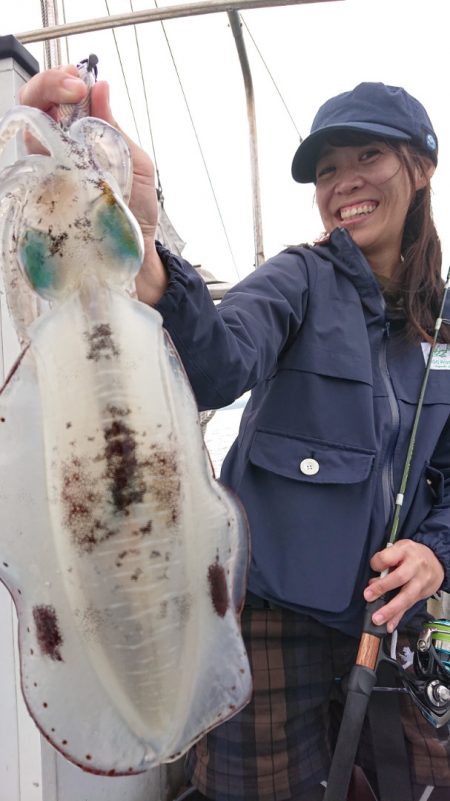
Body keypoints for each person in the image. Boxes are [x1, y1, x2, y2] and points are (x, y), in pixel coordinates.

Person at [19, 72, 450, 800]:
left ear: (421, 167)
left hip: (390, 625)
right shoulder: (298, 279)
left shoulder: (442, 323)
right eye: (325, 170)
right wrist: (145, 244)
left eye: (367, 156)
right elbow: (217, 362)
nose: (344, 182)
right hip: (271, 622)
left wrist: (435, 552)